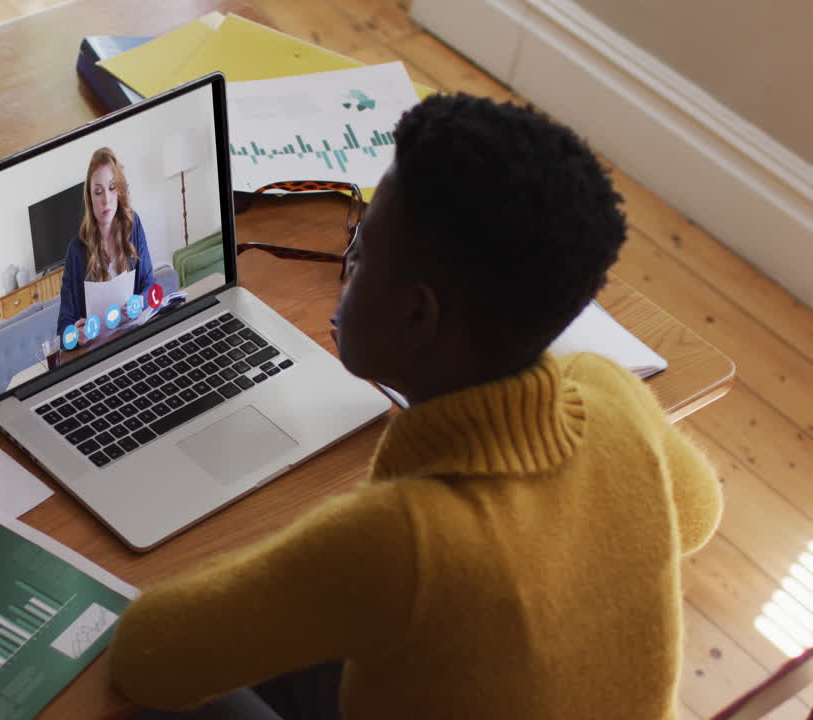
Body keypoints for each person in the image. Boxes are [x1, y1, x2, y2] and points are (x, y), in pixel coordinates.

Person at [108, 93, 722, 719]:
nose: (347, 267)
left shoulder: (400, 542)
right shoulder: (610, 392)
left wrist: (305, 556)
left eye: (363, 253)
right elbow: (699, 511)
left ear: (418, 313)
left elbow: (145, 654)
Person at [57, 147, 156, 343]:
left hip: (135, 338)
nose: (106, 200)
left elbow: (150, 285)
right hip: (98, 351)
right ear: (89, 198)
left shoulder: (133, 225)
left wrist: (141, 300)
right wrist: (75, 335)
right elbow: (62, 331)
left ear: (118, 190)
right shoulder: (76, 251)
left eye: (111, 188)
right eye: (98, 192)